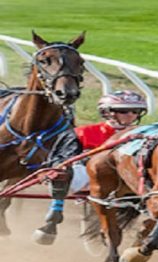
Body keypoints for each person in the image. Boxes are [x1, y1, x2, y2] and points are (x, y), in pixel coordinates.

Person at [32, 90, 148, 245]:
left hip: (131, 178)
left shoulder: (147, 135)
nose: (130, 115)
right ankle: (54, 215)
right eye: (122, 111)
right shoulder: (83, 133)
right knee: (62, 173)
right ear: (107, 112)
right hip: (90, 178)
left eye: (135, 111)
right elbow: (62, 159)